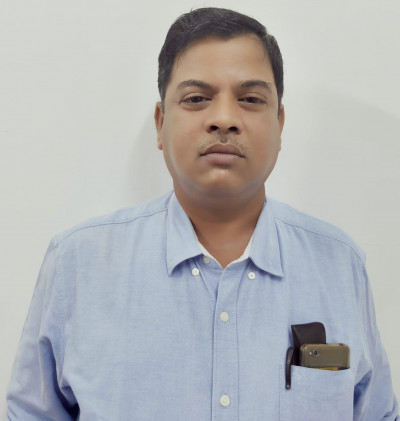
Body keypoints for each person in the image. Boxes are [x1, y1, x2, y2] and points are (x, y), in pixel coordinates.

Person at [6, 7, 398, 421]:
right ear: (160, 123)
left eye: (250, 99)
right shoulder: (78, 263)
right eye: (196, 99)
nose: (224, 119)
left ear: (280, 124)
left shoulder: (338, 264)